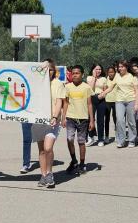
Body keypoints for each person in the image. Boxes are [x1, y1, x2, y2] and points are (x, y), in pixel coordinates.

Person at [33, 58, 68, 189]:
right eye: (45, 69)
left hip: (52, 120)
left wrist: (55, 116)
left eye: (51, 69)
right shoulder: (36, 83)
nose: (48, 72)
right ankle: (43, 175)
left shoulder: (58, 83)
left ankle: (49, 173)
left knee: (48, 148)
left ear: (54, 71)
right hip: (38, 121)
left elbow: (60, 101)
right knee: (42, 150)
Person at [99, 60, 138, 148]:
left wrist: (136, 104)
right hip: (119, 101)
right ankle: (121, 140)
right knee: (120, 121)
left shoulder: (132, 77)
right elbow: (111, 87)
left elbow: (136, 91)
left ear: (126, 67)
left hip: (131, 101)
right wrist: (103, 93)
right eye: (119, 67)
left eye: (122, 66)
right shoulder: (117, 76)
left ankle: (132, 140)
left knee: (131, 121)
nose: (120, 68)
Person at [64, 65, 94, 174]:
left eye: (77, 73)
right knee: (69, 139)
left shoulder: (86, 87)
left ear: (82, 74)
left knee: (81, 142)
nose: (75, 75)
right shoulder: (68, 87)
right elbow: (66, 102)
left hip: (83, 119)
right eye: (73, 73)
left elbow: (90, 104)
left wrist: (92, 120)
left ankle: (82, 163)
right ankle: (74, 160)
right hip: (70, 118)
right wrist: (63, 118)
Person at [85, 64, 107, 147]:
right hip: (91, 99)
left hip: (101, 99)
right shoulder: (89, 78)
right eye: (96, 69)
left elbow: (105, 90)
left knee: (100, 120)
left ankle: (101, 139)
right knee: (90, 119)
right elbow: (90, 89)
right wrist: (94, 77)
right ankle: (91, 137)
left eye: (100, 69)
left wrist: (102, 95)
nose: (98, 71)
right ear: (93, 70)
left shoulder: (104, 78)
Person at [103, 65, 117, 143]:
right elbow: (105, 89)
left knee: (116, 119)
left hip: (116, 101)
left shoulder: (117, 79)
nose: (110, 73)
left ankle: (117, 135)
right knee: (107, 119)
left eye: (112, 72)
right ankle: (107, 136)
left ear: (115, 72)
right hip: (107, 101)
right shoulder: (106, 79)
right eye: (109, 72)